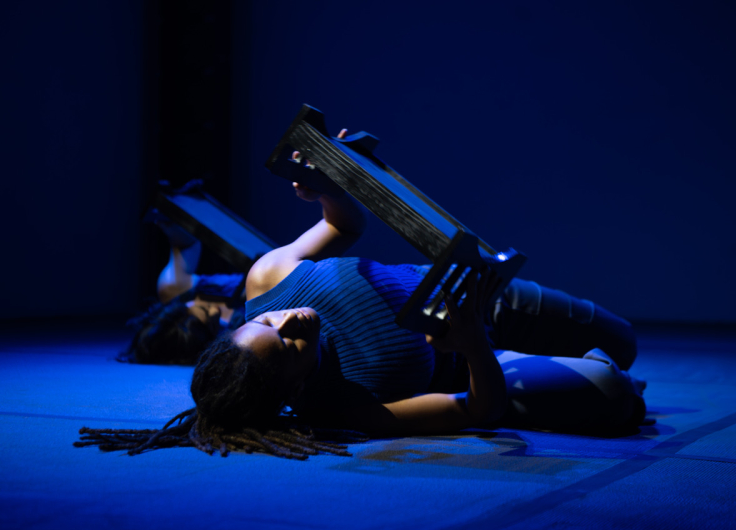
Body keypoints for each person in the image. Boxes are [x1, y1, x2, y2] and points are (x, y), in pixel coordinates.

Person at [80, 130, 645, 459]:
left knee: (623, 339)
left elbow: (344, 228)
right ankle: (573, 373)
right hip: (483, 357)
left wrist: (332, 185)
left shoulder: (267, 282)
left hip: (486, 294)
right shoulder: (344, 408)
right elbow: (479, 409)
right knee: (613, 390)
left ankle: (574, 364)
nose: (293, 322)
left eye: (271, 326)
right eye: (291, 348)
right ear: (291, 393)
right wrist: (472, 347)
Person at [120, 213, 247, 365]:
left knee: (169, 287)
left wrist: (174, 217)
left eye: (204, 309)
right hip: (274, 281)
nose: (215, 311)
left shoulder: (175, 291)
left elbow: (189, 244)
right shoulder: (241, 335)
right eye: (213, 326)